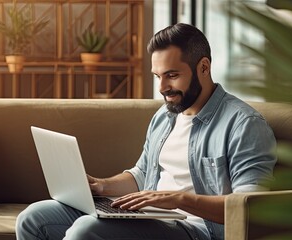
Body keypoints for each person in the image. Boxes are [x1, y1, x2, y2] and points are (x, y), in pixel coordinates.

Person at [16, 23, 277, 240]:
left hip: (198, 231)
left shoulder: (244, 124)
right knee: (34, 217)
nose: (162, 87)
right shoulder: (165, 115)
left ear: (204, 67)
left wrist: (179, 200)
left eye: (172, 75)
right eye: (157, 76)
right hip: (153, 218)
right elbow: (142, 175)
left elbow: (249, 207)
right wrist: (101, 186)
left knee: (86, 231)